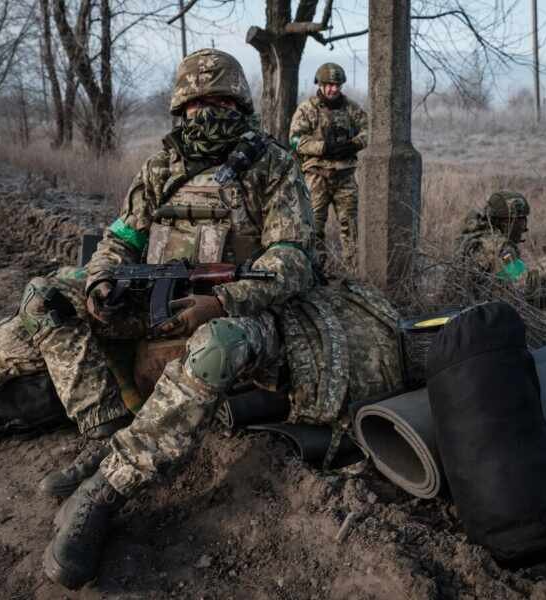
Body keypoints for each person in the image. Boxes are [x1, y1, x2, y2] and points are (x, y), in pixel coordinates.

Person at [35, 48, 323, 589]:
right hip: (157, 293)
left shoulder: (274, 166)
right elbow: (120, 238)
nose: (207, 113)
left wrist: (224, 301)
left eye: (219, 102)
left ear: (240, 104)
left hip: (246, 312)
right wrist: (101, 282)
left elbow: (293, 261)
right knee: (44, 295)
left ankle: (106, 489)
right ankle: (109, 436)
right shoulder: (160, 168)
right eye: (196, 103)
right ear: (179, 109)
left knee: (213, 344)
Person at [289, 62, 367, 272]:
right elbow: (295, 140)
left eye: (337, 85)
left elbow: (368, 131)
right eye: (329, 84)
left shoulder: (351, 108)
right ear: (321, 84)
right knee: (313, 227)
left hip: (345, 176)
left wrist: (353, 144)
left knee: (350, 227)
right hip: (316, 176)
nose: (334, 89)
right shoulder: (307, 109)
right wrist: (323, 147)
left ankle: (353, 273)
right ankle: (317, 272)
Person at [455, 191, 546, 309]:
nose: (524, 228)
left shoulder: (476, 236)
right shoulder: (500, 248)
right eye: (521, 221)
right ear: (506, 222)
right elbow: (523, 284)